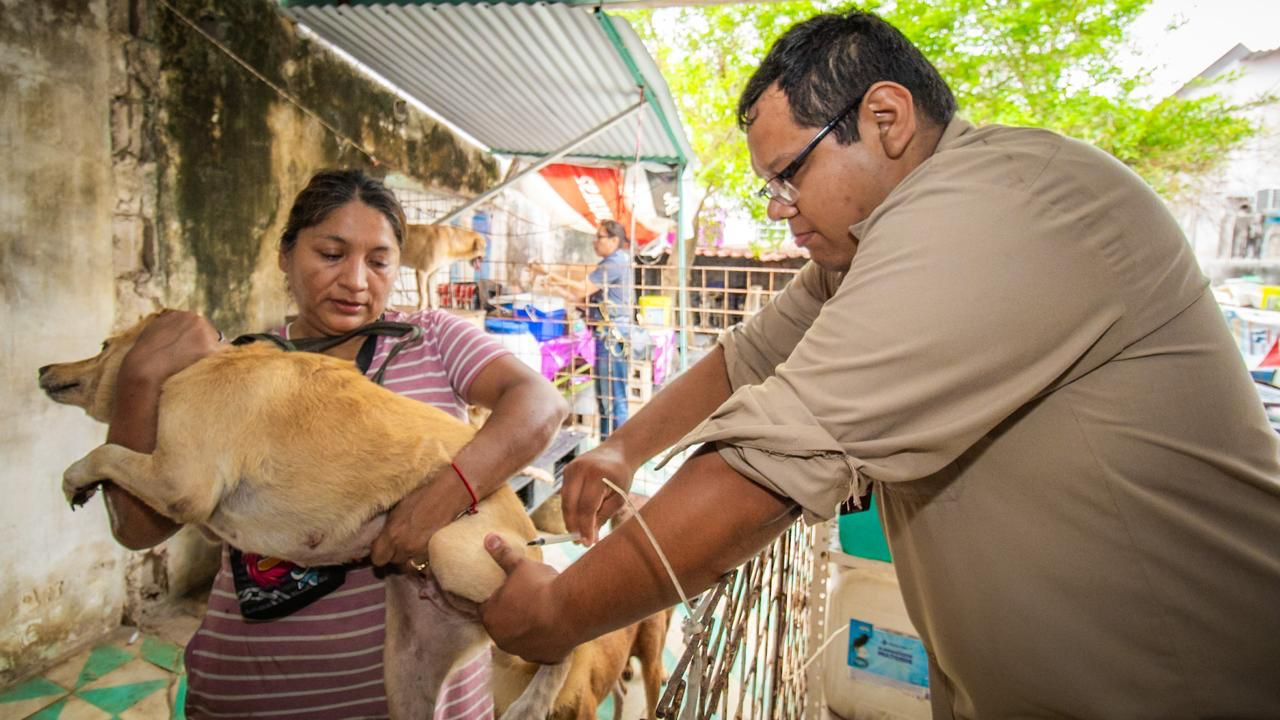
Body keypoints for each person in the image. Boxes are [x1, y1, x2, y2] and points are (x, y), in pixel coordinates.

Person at [479, 11, 1280, 718]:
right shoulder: (868, 246)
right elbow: (749, 354)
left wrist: (554, 616)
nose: (781, 214)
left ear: (887, 118)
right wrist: (625, 448)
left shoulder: (994, 207)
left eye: (788, 178)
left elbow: (770, 464)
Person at [103, 169, 567, 719]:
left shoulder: (432, 340)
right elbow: (139, 528)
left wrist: (443, 497)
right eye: (330, 254)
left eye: (378, 261)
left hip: (429, 698)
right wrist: (139, 379)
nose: (355, 281)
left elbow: (540, 406)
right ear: (285, 254)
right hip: (257, 693)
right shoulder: (240, 368)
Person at [531, 220, 635, 437]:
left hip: (612, 335)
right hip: (606, 333)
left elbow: (582, 287)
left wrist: (548, 271)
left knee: (614, 397)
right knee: (606, 396)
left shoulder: (615, 262)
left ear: (615, 240)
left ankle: (617, 447)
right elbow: (581, 297)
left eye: (599, 237)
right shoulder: (612, 262)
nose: (594, 242)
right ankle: (607, 444)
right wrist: (555, 285)